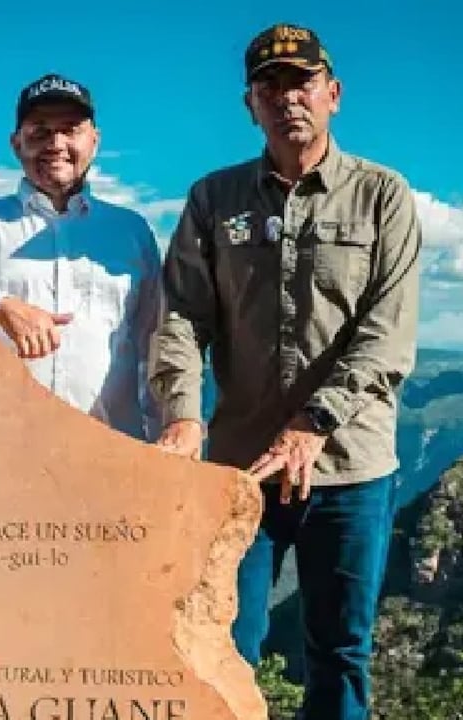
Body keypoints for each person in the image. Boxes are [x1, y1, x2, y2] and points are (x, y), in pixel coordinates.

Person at [148, 23, 421, 720]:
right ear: (250, 105)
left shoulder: (382, 197)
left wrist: (314, 423)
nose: (286, 98)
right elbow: (182, 315)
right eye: (268, 85)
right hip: (243, 468)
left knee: (340, 653)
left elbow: (386, 337)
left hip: (352, 469)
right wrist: (180, 412)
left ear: (332, 93)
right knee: (221, 642)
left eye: (300, 82)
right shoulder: (214, 200)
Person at [0, 73, 162, 441]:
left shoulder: (132, 232)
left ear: (94, 141)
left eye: (70, 129)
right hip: (4, 453)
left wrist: (162, 441)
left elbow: (154, 346)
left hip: (114, 452)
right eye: (40, 131)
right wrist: (1, 305)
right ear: (16, 144)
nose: (56, 143)